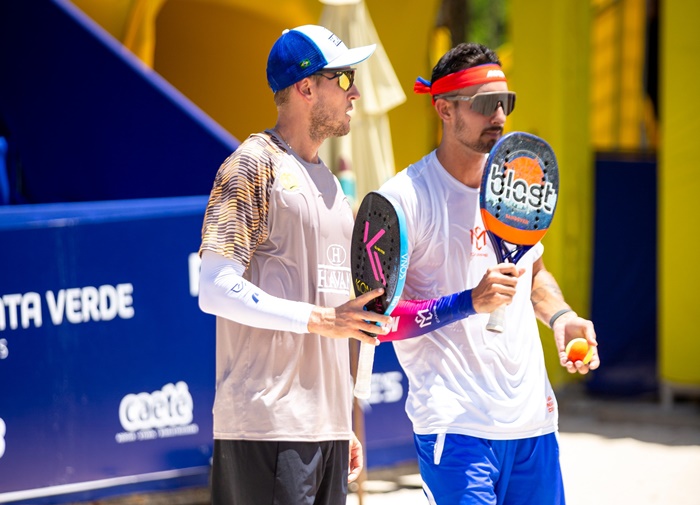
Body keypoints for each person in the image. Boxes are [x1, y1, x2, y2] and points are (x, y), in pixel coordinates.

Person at [377, 42, 600, 505]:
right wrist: (468, 302)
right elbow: (379, 320)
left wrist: (561, 318)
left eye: (506, 102)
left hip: (532, 422)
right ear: (444, 108)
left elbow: (534, 273)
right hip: (456, 426)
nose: (498, 114)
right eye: (483, 104)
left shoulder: (514, 185)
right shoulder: (405, 199)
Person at [197, 25, 391, 505]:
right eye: (343, 79)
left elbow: (347, 314)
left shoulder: (333, 188)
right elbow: (215, 288)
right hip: (264, 429)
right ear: (306, 87)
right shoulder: (251, 165)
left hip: (325, 431)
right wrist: (320, 320)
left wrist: (344, 421)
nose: (356, 92)